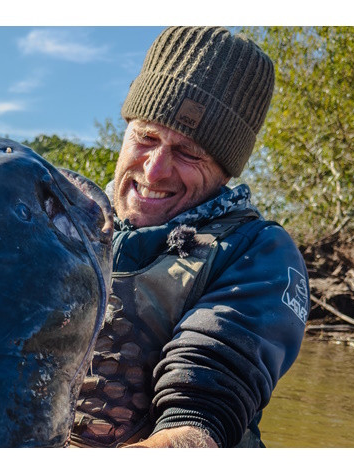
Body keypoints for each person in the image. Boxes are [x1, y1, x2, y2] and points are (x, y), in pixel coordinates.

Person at [69, 26, 309, 448]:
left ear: (225, 171)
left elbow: (197, 425)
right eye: (146, 137)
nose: (155, 170)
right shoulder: (62, 221)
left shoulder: (256, 253)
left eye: (189, 153)